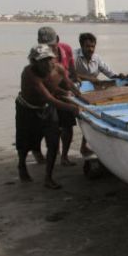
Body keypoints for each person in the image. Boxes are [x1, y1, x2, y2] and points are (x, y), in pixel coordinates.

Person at [16, 45, 81, 189]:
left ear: (54, 59)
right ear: (34, 62)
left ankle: (48, 178)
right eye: (41, 61)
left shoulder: (59, 69)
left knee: (53, 141)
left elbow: (67, 84)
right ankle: (21, 165)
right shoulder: (29, 73)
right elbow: (49, 97)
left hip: (47, 108)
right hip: (27, 109)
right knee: (25, 142)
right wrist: (72, 108)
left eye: (48, 60)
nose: (46, 64)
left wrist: (80, 96)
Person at [36, 26, 84, 165]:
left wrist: (75, 81)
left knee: (67, 125)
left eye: (51, 45)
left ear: (57, 40)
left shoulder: (66, 49)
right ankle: (44, 152)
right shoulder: (38, 56)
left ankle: (64, 156)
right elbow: (43, 82)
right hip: (48, 92)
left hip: (64, 89)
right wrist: (64, 92)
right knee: (48, 126)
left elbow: (70, 68)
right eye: (44, 45)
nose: (48, 49)